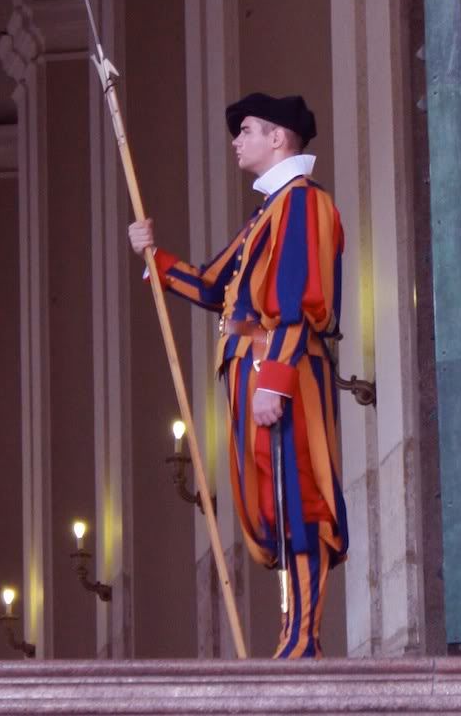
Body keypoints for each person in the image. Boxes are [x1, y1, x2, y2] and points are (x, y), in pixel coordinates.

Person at [128, 92, 348, 659]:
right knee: (274, 505)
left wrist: (273, 379)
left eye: (246, 130)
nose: (236, 140)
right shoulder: (267, 214)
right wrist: (154, 258)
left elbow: (298, 298)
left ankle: (303, 638)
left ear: (278, 138)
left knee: (300, 499)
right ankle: (291, 633)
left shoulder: (302, 202)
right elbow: (211, 285)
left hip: (284, 369)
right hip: (254, 373)